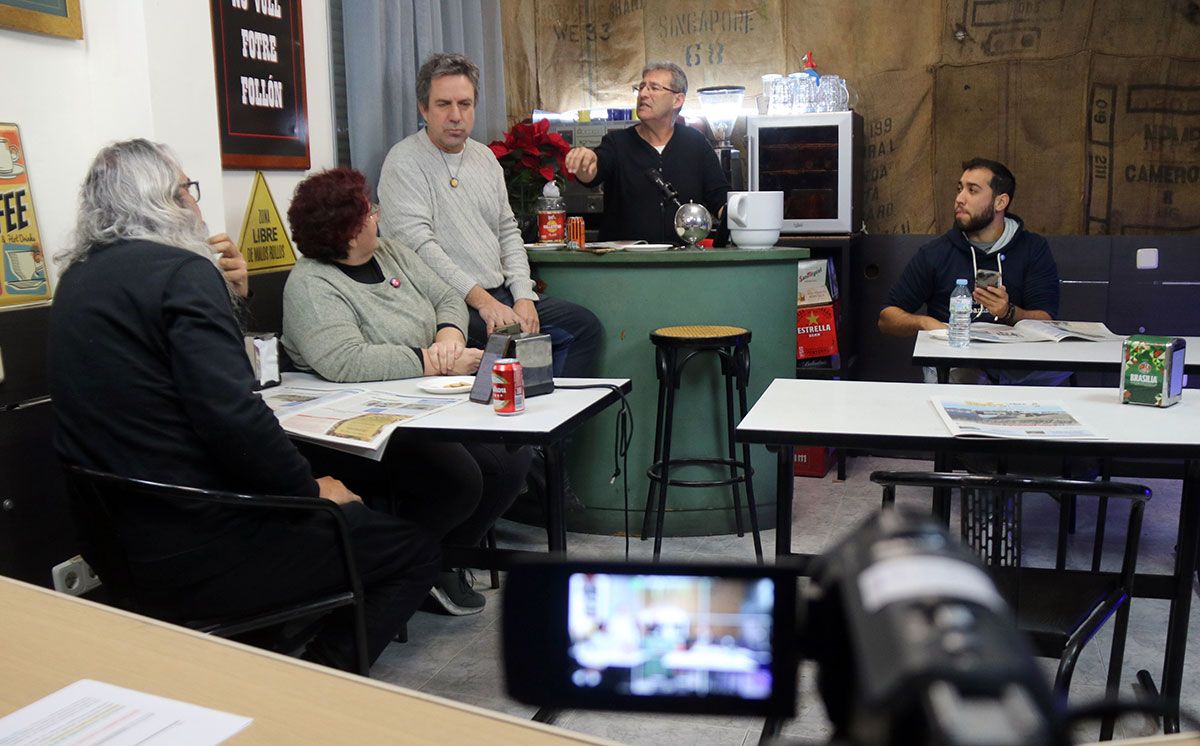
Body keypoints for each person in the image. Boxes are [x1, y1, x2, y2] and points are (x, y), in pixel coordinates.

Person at [48, 139, 440, 674]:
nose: (195, 201)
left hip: (114, 545)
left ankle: (270, 656)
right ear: (168, 200)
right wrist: (310, 492)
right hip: (204, 542)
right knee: (412, 550)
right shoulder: (182, 272)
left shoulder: (76, 281)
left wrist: (228, 298)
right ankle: (318, 687)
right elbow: (232, 417)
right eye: (188, 188)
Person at [282, 167, 532, 616]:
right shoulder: (311, 284)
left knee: (514, 456)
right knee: (459, 478)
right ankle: (405, 566)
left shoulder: (393, 253)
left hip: (432, 398)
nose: (378, 215)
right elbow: (345, 360)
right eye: (370, 210)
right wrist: (431, 359)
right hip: (362, 418)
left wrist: (451, 334)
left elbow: (447, 296)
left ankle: (440, 559)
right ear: (350, 229)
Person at [377, 52, 601, 378]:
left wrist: (523, 296)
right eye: (444, 105)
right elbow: (418, 249)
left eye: (464, 105)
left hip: (501, 294)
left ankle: (550, 426)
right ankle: (521, 423)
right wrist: (482, 301)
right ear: (423, 109)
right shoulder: (403, 162)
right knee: (513, 346)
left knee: (584, 327)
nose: (456, 115)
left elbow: (508, 233)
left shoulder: (484, 158)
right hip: (449, 303)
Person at [878, 157, 1065, 385]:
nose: (959, 199)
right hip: (954, 369)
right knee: (964, 378)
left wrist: (1009, 312)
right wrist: (925, 323)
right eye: (959, 189)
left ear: (1000, 202)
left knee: (1058, 375)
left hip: (1017, 370)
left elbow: (1046, 319)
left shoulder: (1032, 248)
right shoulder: (936, 252)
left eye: (972, 190)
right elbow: (887, 319)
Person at [564, 62, 730, 244]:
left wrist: (740, 216)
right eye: (641, 87)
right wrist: (585, 163)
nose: (643, 94)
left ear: (677, 100)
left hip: (681, 262)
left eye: (654, 88)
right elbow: (594, 172)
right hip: (626, 263)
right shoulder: (617, 142)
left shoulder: (696, 143)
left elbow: (720, 199)